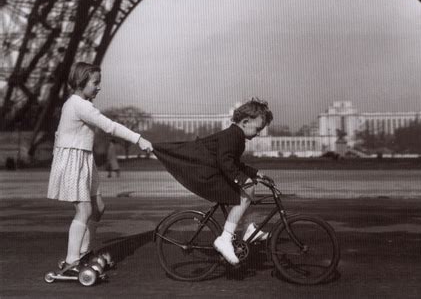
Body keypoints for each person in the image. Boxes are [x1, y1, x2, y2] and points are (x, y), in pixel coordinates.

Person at [47, 62, 153, 275]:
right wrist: (138, 139)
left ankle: (83, 253)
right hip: (73, 160)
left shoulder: (77, 103)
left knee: (98, 208)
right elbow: (109, 126)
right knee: (84, 210)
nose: (99, 87)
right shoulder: (79, 105)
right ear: (81, 81)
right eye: (95, 83)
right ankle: (71, 260)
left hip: (83, 158)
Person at [153, 98, 273, 265]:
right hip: (207, 175)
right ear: (245, 122)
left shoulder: (236, 135)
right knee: (248, 191)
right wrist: (244, 180)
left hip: (210, 172)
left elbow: (234, 163)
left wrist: (255, 173)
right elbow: (225, 162)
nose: (259, 133)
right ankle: (225, 239)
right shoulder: (233, 136)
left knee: (246, 190)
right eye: (258, 128)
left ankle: (247, 228)